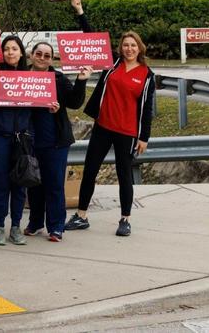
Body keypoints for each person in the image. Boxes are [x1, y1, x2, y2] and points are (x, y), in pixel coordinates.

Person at [66, 31, 156, 237]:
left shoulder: (147, 75)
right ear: (120, 48)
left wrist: (144, 137)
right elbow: (92, 38)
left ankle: (125, 219)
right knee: (89, 171)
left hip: (127, 132)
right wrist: (79, 11)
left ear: (140, 48)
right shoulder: (113, 65)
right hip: (103, 127)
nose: (129, 49)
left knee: (124, 175)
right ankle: (81, 216)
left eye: (133, 45)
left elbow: (146, 109)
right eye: (126, 45)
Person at [25, 0, 91, 240]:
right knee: (34, 185)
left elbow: (74, 102)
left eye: (47, 55)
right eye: (39, 53)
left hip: (55, 141)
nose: (43, 57)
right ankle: (35, 223)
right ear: (31, 55)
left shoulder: (59, 78)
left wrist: (82, 80)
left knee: (53, 185)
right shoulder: (21, 77)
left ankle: (55, 226)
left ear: (52, 59)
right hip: (30, 140)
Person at [0, 35, 33, 246]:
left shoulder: (30, 75)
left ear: (21, 52)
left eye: (14, 48)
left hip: (21, 139)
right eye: (6, 49)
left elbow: (38, 102)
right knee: (1, 183)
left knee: (20, 184)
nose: (10, 52)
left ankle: (16, 226)